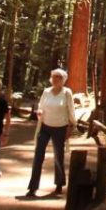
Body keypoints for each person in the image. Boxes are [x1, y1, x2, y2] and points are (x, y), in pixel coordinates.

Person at [25, 67, 77, 198]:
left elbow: (71, 109)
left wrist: (71, 126)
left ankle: (59, 183)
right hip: (45, 127)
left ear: (63, 79)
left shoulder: (67, 93)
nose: (55, 79)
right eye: (54, 77)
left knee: (58, 156)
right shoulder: (46, 91)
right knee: (38, 156)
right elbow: (40, 107)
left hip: (60, 128)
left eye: (58, 77)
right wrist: (39, 113)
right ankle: (33, 187)